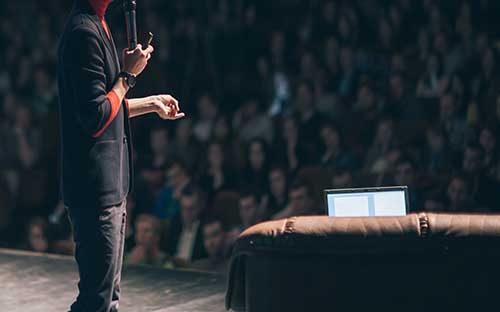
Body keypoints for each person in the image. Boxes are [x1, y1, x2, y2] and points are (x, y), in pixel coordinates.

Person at [57, 1, 185, 311]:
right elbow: (96, 117)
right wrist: (128, 75)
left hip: (109, 185)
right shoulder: (83, 33)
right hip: (94, 189)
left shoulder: (97, 23)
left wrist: (150, 102)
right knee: (96, 300)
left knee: (108, 297)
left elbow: (109, 105)